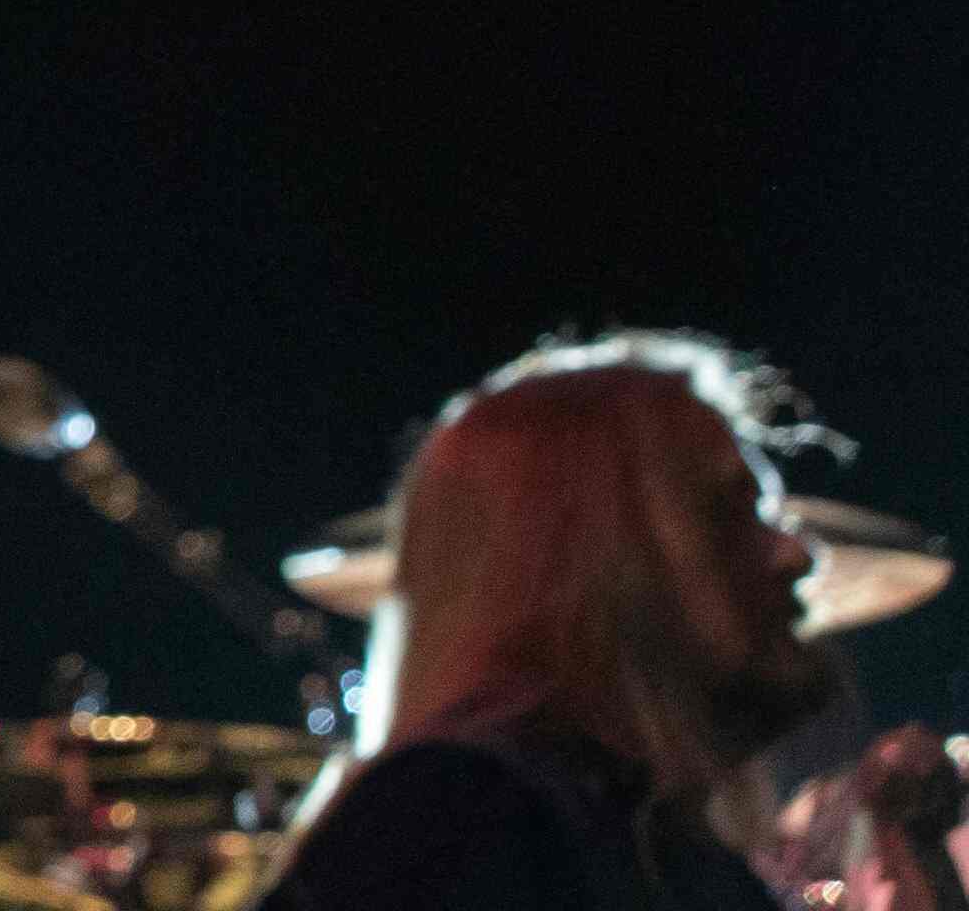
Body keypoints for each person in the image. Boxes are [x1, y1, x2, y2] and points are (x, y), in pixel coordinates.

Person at [269, 333, 844, 911]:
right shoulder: (456, 817)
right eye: (733, 512)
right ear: (601, 556)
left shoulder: (664, 845)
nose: (799, 555)